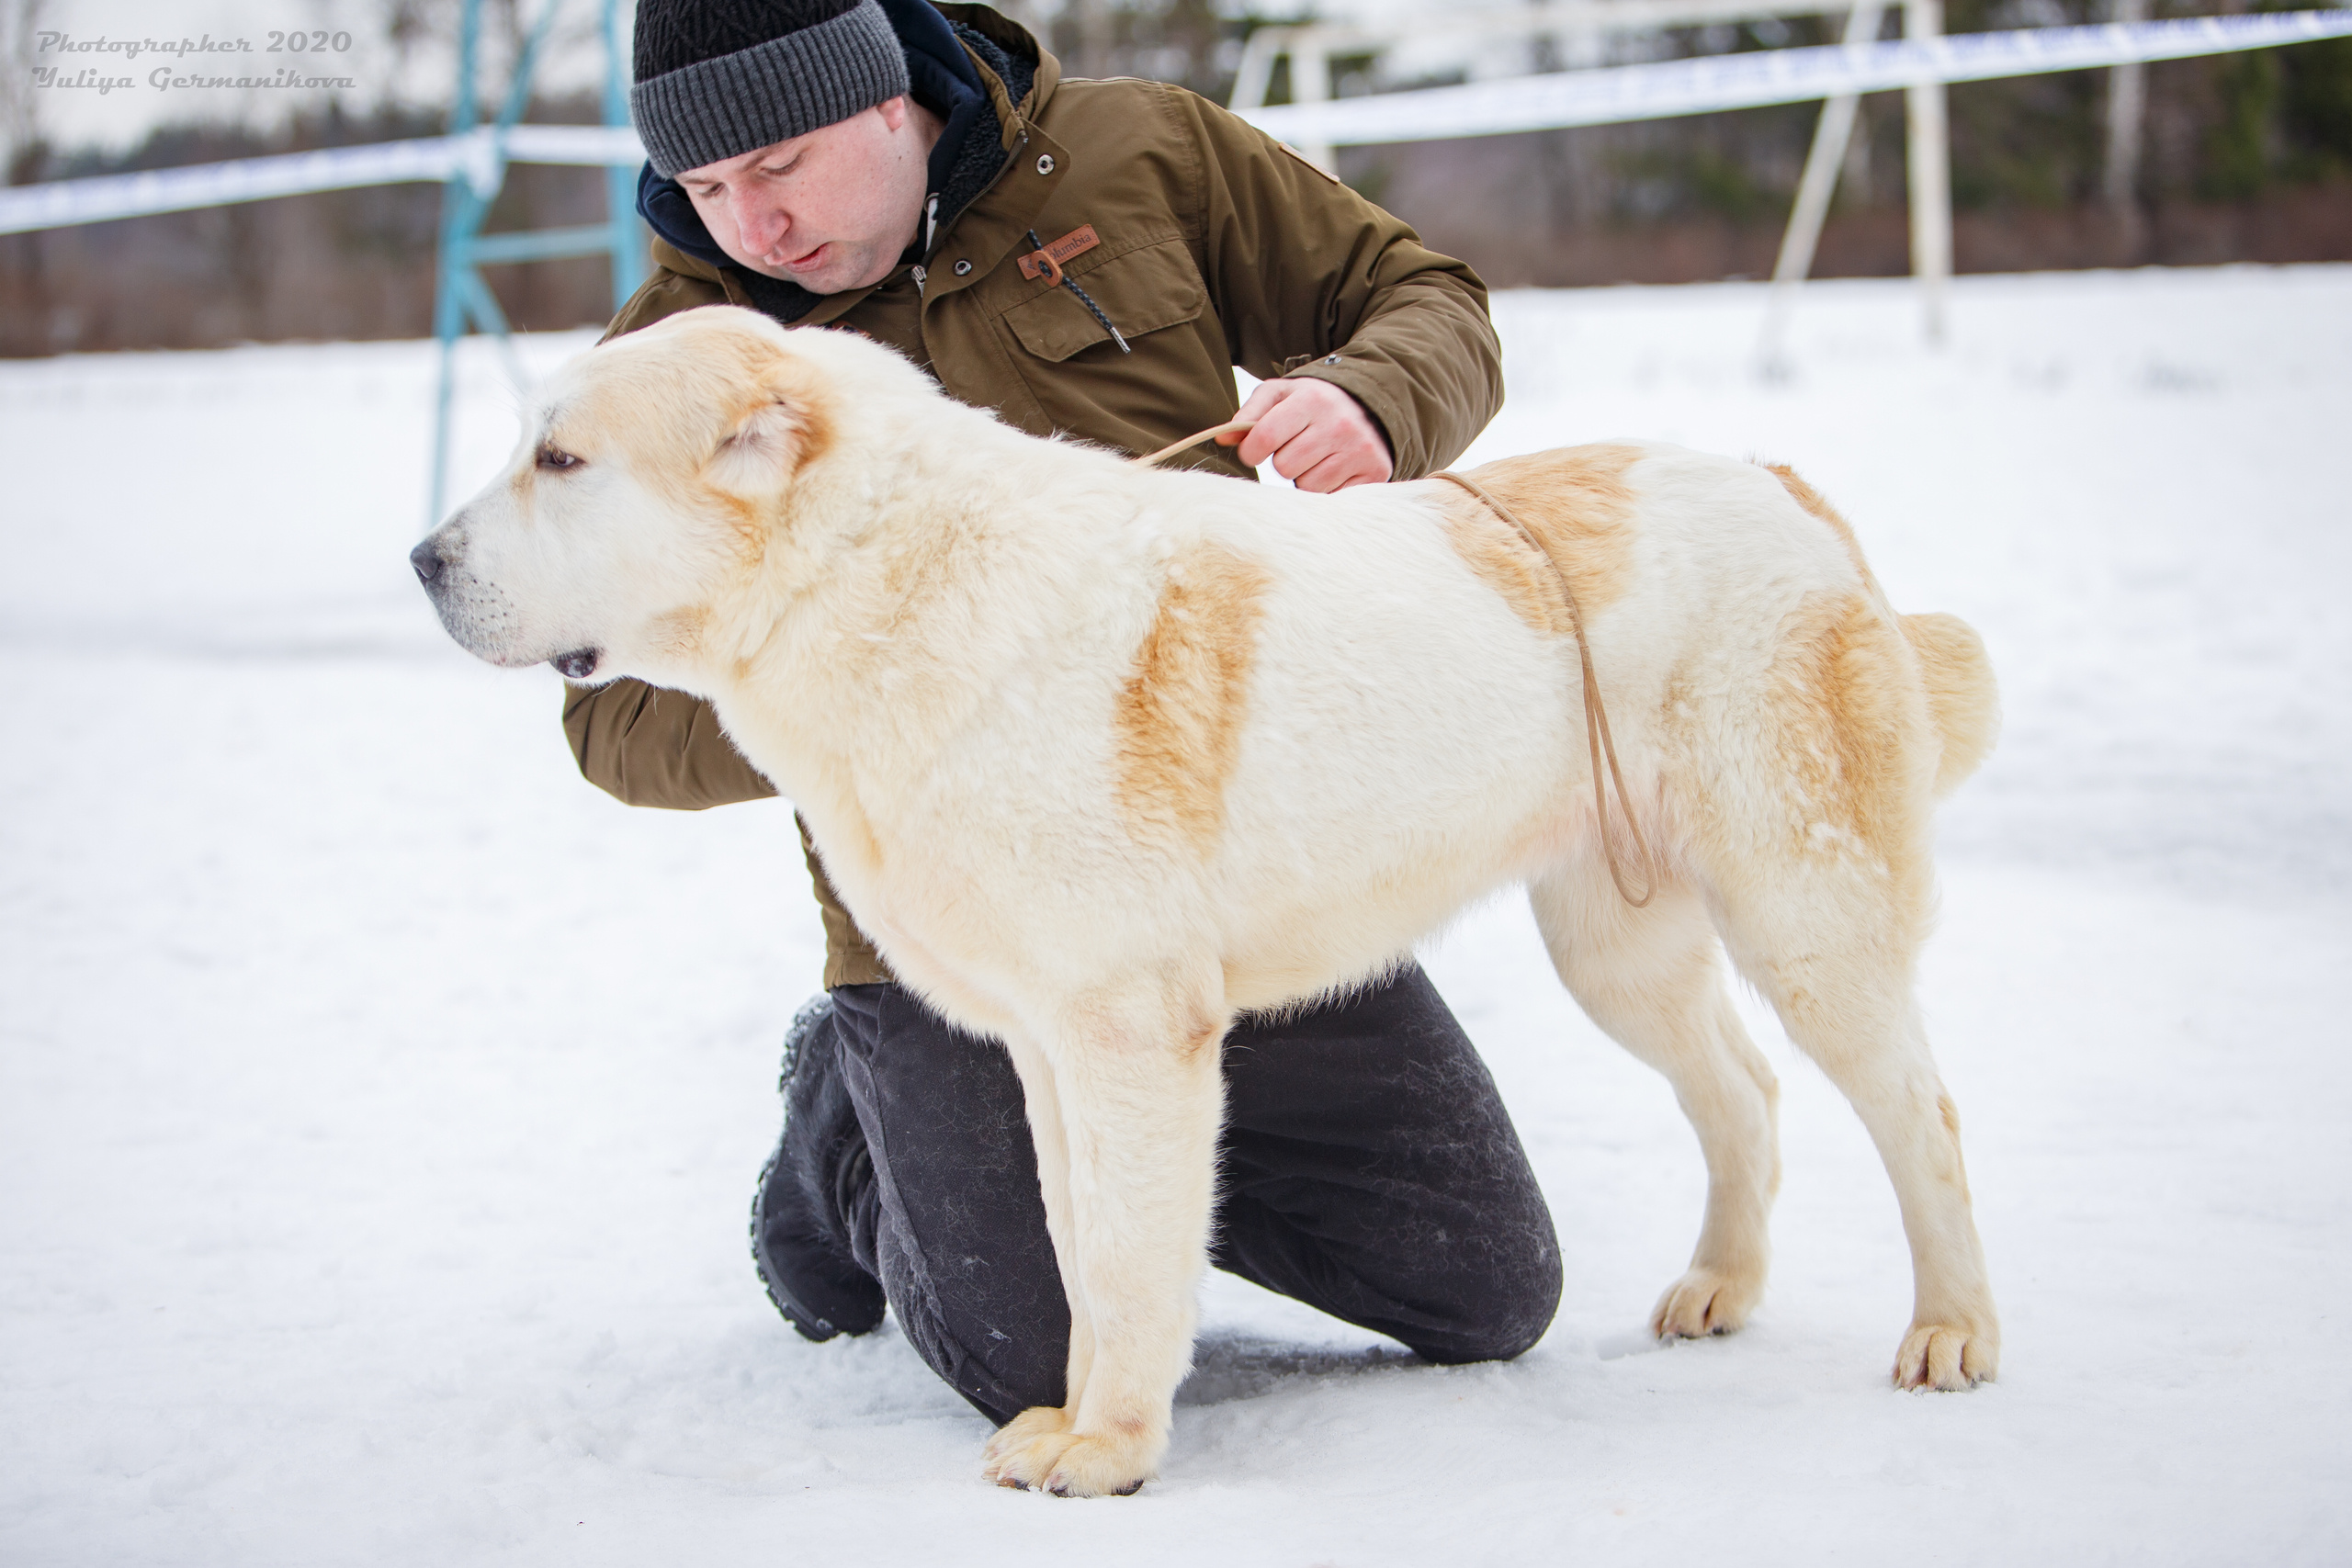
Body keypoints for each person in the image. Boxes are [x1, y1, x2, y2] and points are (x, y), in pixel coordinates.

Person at [566, 0, 1563, 1426]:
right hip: (951, 938)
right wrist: (831, 660)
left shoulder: (1136, 155)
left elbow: (1428, 301)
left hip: (1241, 863)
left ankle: (1138, 1143)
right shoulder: (682, 359)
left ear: (882, 96)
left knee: (1483, 1289)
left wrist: (1372, 402)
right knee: (1033, 1363)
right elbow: (604, 723)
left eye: (779, 166)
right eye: (708, 191)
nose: (751, 230)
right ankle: (845, 1142)